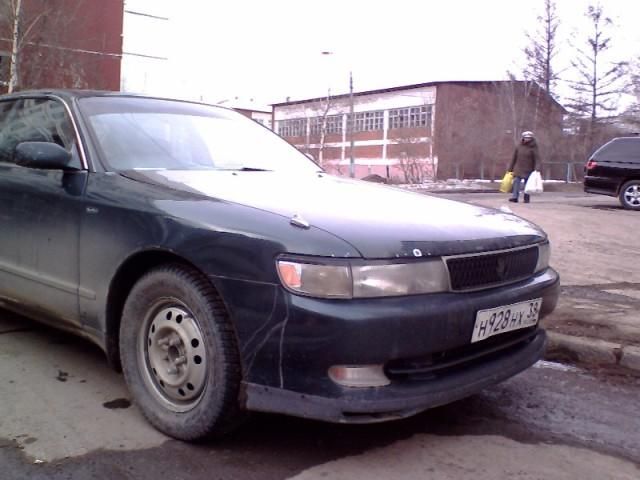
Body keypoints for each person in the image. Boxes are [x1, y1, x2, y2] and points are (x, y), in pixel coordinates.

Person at [508, 130, 540, 203]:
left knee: (527, 184)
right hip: (518, 168)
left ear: (531, 138)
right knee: (516, 182)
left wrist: (537, 169)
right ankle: (515, 197)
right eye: (525, 137)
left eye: (528, 138)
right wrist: (510, 168)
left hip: (529, 168)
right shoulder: (519, 146)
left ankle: (526, 198)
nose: (527, 139)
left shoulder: (534, 147)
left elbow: (537, 159)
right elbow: (514, 157)